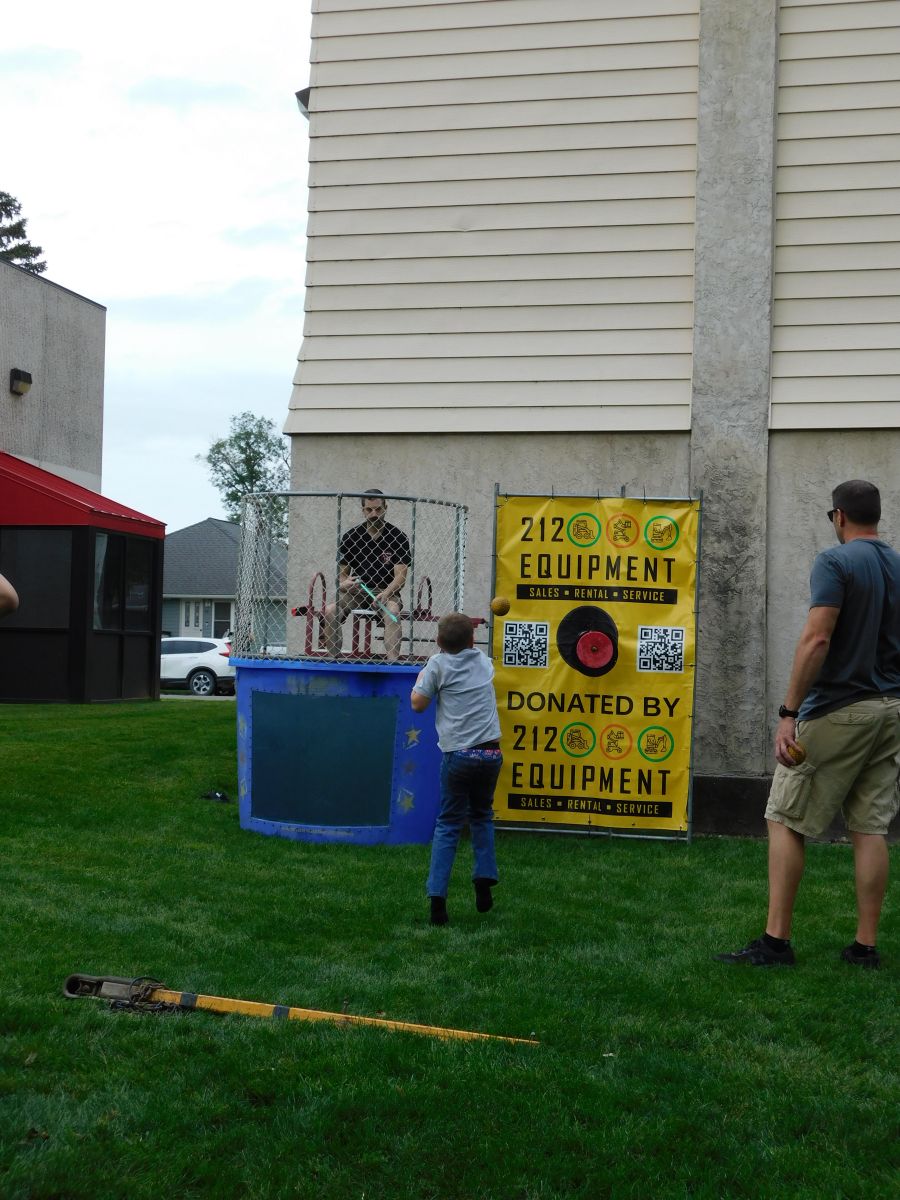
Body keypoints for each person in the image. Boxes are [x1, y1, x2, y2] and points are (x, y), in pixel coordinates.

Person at [717, 480, 900, 969]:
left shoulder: (835, 562)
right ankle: (864, 948)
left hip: (841, 708)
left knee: (783, 815)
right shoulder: (897, 564)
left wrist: (789, 713)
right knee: (870, 826)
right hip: (890, 710)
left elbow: (817, 639)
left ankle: (775, 944)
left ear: (839, 516)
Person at [411, 612, 503, 926]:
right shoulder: (484, 662)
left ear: (438, 641)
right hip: (491, 754)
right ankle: (484, 877)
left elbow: (418, 704)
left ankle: (438, 900)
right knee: (481, 815)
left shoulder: (437, 665)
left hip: (459, 755)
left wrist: (424, 676)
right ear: (473, 640)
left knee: (449, 824)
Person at [322, 490, 411, 663]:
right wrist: (344, 583)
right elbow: (341, 576)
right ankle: (333, 661)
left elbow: (401, 578)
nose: (374, 514)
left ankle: (392, 664)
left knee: (393, 612)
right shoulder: (351, 537)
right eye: (369, 510)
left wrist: (386, 593)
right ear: (363, 510)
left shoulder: (398, 537)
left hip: (386, 591)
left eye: (378, 509)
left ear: (385, 508)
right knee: (330, 610)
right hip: (356, 590)